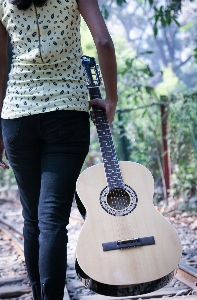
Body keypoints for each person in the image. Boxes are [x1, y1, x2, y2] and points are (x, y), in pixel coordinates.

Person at [0, 0, 118, 299]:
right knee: (53, 218)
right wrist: (111, 98)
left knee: (32, 218)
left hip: (17, 116)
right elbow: (103, 41)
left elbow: (1, 65)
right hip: (67, 114)